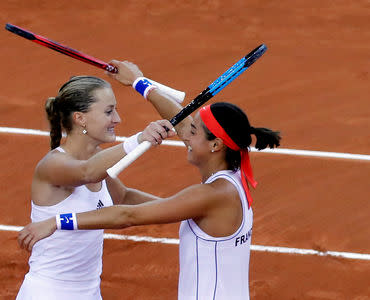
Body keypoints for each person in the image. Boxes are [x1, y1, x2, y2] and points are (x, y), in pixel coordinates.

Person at [18, 62, 281, 300]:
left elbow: (125, 214)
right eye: (109, 111)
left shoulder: (213, 194)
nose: (185, 135)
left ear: (215, 145)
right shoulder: (232, 177)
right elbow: (104, 184)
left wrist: (57, 222)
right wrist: (139, 82)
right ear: (80, 118)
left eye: (192, 132)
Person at [15, 74, 176, 300]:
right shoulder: (53, 165)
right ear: (80, 118)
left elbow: (124, 197)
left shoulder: (97, 159)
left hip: (89, 292)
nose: (117, 119)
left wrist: (181, 208)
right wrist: (139, 139)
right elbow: (87, 172)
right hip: (49, 293)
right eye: (109, 111)